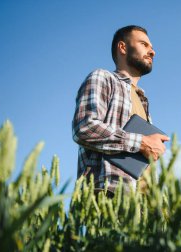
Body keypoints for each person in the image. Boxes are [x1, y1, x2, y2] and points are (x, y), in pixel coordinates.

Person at [72, 25, 169, 197]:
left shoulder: (142, 100)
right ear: (123, 47)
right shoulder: (102, 77)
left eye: (152, 47)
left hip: (142, 206)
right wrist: (141, 143)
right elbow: (84, 127)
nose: (152, 52)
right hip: (108, 193)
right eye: (144, 44)